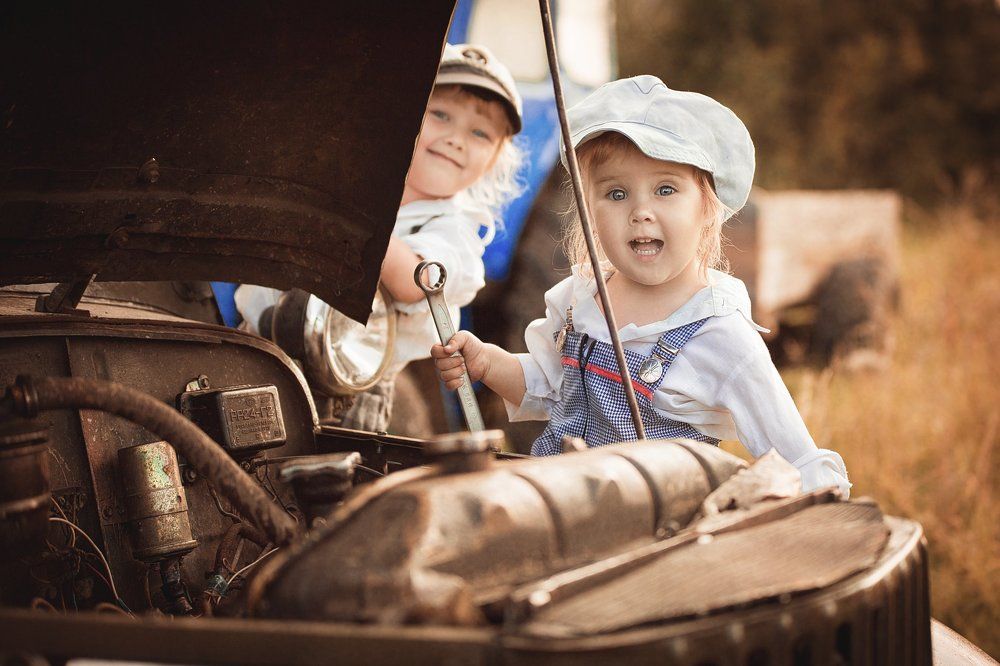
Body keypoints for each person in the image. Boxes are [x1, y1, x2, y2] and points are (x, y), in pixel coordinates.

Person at [431, 75, 850, 495]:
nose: (640, 211)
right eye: (616, 194)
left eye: (666, 189)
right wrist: (487, 364)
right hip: (561, 508)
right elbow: (550, 389)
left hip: (654, 535)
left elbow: (796, 460)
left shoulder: (719, 333)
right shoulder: (584, 300)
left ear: (709, 208)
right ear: (589, 210)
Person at [237, 43, 523, 431]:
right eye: (440, 114)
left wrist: (353, 219)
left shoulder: (453, 230)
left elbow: (414, 282)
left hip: (347, 391)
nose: (457, 139)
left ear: (493, 162)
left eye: (479, 133)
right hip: (256, 349)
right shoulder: (355, 188)